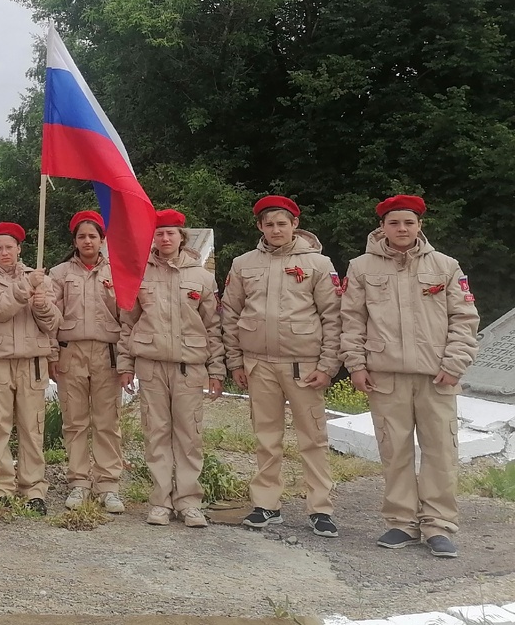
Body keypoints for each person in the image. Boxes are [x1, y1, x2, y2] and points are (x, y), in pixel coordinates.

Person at [340, 194, 479, 558]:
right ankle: (401, 522)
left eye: (409, 223)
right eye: (394, 223)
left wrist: (454, 364)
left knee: (440, 452)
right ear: (382, 227)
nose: (402, 229)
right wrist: (355, 364)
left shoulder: (446, 266)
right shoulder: (361, 268)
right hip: (385, 376)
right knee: (394, 451)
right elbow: (351, 320)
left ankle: (438, 525)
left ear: (420, 226)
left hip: (437, 376)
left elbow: (465, 319)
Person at [221, 196, 342, 537]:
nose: (276, 230)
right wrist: (235, 362)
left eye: (282, 224)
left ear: (294, 225)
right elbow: (230, 314)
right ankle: (266, 504)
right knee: (266, 437)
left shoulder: (318, 263)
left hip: (303, 365)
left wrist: (328, 365)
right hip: (258, 363)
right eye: (269, 224)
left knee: (313, 438)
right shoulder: (244, 263)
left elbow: (333, 317)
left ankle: (320, 509)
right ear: (260, 226)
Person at [118, 209, 224, 528]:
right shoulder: (139, 274)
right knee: (156, 433)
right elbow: (128, 322)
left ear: (182, 237)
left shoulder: (202, 277)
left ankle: (189, 501)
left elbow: (213, 326)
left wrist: (216, 371)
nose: (164, 239)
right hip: (150, 365)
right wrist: (125, 365)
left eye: (170, 234)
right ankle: (161, 501)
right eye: (159, 234)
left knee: (189, 434)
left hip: (188, 367)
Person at [0, 222, 60, 514]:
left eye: (10, 247)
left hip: (32, 362)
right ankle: (2, 489)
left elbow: (51, 324)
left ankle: (34, 490)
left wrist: (42, 305)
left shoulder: (39, 278)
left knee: (32, 428)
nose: (5, 252)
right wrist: (25, 288)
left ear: (20, 248)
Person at [48, 210, 125, 514]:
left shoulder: (118, 272)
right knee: (75, 422)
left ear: (102, 239)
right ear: (75, 241)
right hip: (71, 354)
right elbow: (50, 320)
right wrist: (53, 354)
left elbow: (128, 316)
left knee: (107, 423)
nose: (87, 241)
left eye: (93, 235)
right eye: (82, 236)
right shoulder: (60, 274)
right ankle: (79, 483)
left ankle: (109, 486)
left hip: (107, 355)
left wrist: (126, 360)